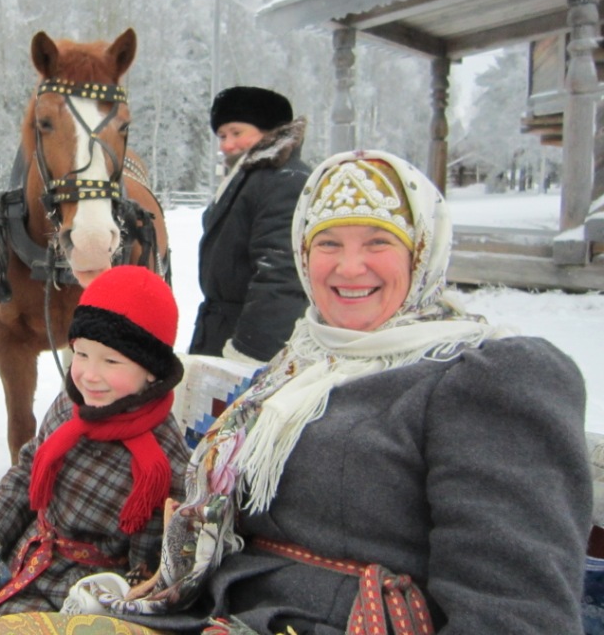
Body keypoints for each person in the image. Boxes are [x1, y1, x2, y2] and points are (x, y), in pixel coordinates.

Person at [72, 150, 592, 634]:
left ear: (422, 251)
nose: (348, 267)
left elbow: (514, 612)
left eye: (378, 242)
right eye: (328, 244)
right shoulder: (298, 364)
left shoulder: (486, 376)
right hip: (219, 612)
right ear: (303, 254)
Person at [0, 265, 191, 635]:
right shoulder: (71, 407)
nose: (89, 374)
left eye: (111, 361)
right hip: (23, 551)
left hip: (77, 593)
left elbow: (150, 575)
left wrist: (111, 599)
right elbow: (26, 474)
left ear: (152, 370)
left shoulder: (164, 466)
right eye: (81, 355)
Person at [189, 86, 310, 364]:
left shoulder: (284, 180)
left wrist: (250, 353)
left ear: (270, 130)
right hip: (221, 329)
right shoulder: (252, 177)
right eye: (221, 135)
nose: (226, 145)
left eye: (236, 132)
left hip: (245, 342)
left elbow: (281, 276)